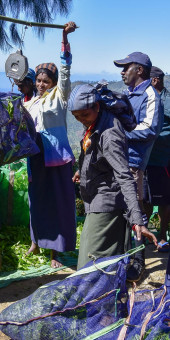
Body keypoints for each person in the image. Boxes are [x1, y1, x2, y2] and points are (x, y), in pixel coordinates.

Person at [68, 84, 158, 270]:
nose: (81, 120)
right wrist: (81, 170)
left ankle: (100, 295)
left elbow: (125, 176)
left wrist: (137, 219)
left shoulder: (109, 134)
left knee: (90, 264)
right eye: (77, 117)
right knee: (96, 258)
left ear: (97, 107)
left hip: (107, 202)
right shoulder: (97, 122)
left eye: (84, 115)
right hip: (98, 198)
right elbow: (94, 154)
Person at [23, 22, 77, 268]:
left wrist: (64, 39)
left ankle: (56, 253)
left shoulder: (60, 97)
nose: (41, 84)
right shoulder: (30, 103)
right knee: (37, 199)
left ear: (54, 82)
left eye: (46, 81)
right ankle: (36, 241)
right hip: (35, 156)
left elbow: (66, 71)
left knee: (57, 201)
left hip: (56, 156)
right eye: (39, 81)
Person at [114, 52, 163, 281]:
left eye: (126, 67)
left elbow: (150, 128)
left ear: (140, 70)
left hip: (133, 163)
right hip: (117, 160)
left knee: (135, 211)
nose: (122, 72)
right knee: (119, 210)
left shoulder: (150, 96)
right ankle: (121, 255)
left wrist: (119, 134)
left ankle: (138, 259)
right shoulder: (127, 95)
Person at [144, 66, 170, 252]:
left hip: (162, 160)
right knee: (144, 200)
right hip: (145, 159)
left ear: (155, 80)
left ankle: (162, 236)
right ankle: (145, 235)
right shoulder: (145, 98)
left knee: (164, 201)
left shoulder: (167, 101)